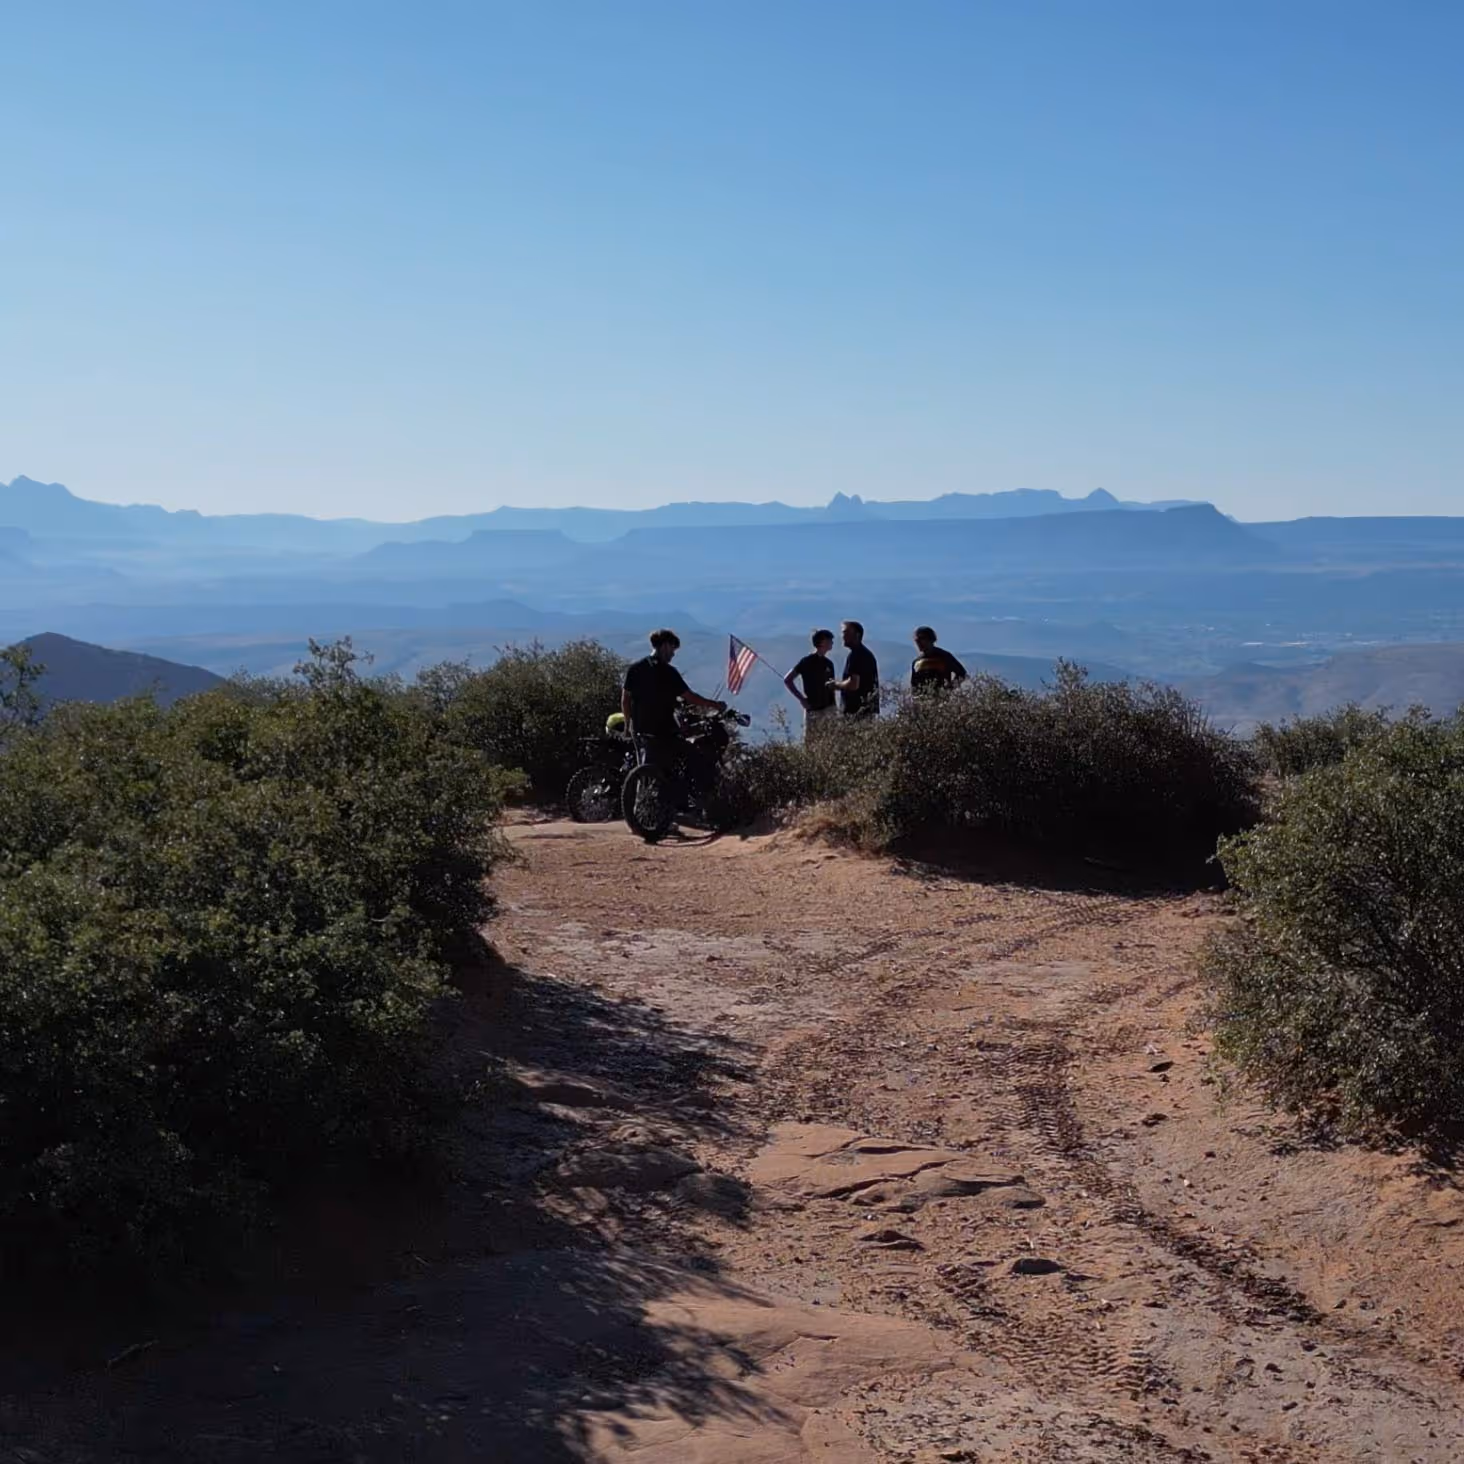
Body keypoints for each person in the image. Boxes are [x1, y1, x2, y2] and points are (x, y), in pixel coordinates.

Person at [621, 628, 726, 789]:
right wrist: (715, 705)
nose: (673, 654)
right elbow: (690, 697)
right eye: (672, 649)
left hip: (640, 729)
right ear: (664, 646)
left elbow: (625, 700)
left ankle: (639, 806)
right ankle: (682, 801)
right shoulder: (669, 672)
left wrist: (628, 725)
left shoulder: (635, 669)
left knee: (644, 768)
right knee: (692, 757)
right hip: (662, 731)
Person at [783, 629, 838, 739]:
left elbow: (831, 687)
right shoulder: (807, 662)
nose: (832, 643)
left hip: (829, 708)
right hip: (813, 709)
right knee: (812, 743)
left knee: (831, 742)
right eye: (829, 640)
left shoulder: (829, 664)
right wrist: (801, 699)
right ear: (822, 642)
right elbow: (788, 679)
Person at [831, 620, 879, 718]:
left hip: (855, 712)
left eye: (846, 633)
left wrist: (836, 685)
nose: (843, 636)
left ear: (857, 635)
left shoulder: (856, 655)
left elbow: (853, 684)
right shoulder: (865, 654)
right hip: (866, 710)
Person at [910, 626, 968, 693]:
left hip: (941, 701)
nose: (918, 643)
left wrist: (948, 689)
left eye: (922, 639)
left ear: (931, 640)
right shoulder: (916, 662)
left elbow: (962, 674)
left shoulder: (944, 656)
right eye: (917, 640)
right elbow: (914, 685)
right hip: (922, 701)